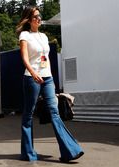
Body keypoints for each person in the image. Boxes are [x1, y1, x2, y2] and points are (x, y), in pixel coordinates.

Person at [16, 6, 84, 162]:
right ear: (29, 19)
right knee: (28, 114)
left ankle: (69, 151)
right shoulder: (24, 35)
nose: (39, 19)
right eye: (35, 16)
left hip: (47, 78)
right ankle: (27, 152)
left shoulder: (44, 36)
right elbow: (25, 58)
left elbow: (46, 59)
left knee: (55, 112)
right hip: (31, 78)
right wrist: (34, 74)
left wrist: (51, 77)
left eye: (40, 16)